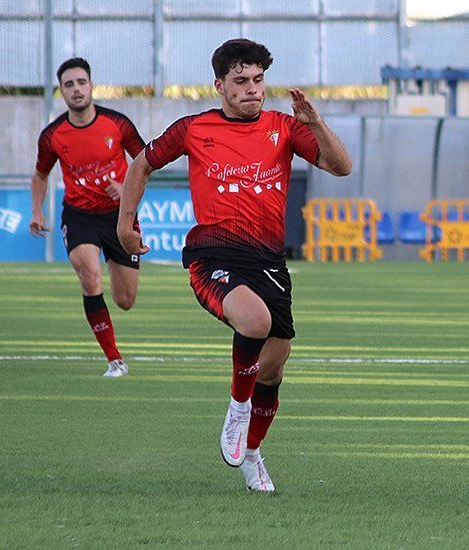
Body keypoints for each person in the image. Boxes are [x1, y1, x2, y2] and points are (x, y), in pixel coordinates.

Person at [117, 39, 352, 492]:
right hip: (214, 254)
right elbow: (140, 165)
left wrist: (317, 123)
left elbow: (340, 166)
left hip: (268, 261)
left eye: (258, 80)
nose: (252, 89)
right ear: (220, 85)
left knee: (275, 366)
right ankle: (237, 409)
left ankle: (253, 455)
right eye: (240, 81)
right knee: (255, 320)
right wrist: (126, 223)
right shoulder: (193, 128)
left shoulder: (284, 127)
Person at [29, 57, 146, 378]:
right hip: (79, 215)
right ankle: (114, 360)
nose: (76, 89)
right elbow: (40, 175)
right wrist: (38, 211)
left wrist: (126, 188)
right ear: (62, 92)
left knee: (125, 299)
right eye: (69, 85)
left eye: (81, 82)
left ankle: (114, 263)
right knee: (89, 274)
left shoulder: (117, 124)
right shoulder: (53, 135)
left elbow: (145, 162)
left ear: (91, 85)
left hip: (120, 216)